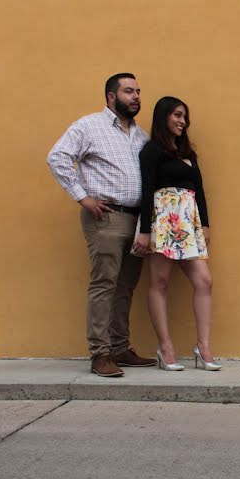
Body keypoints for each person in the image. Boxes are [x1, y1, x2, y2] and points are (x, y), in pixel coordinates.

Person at [47, 73, 156, 377]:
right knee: (104, 284)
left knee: (125, 287)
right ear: (111, 96)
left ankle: (120, 347)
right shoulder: (89, 126)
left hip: (136, 221)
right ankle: (100, 354)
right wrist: (83, 198)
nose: (135, 96)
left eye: (138, 92)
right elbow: (57, 157)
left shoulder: (141, 136)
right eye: (128, 91)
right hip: (104, 217)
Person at [133, 96, 220, 371]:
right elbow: (147, 191)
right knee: (159, 282)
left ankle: (203, 346)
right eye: (178, 115)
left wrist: (204, 225)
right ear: (164, 116)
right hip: (163, 220)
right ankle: (166, 347)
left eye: (185, 117)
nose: (182, 121)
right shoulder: (151, 151)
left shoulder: (188, 153)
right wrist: (145, 232)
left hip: (188, 223)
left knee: (204, 282)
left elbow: (200, 191)